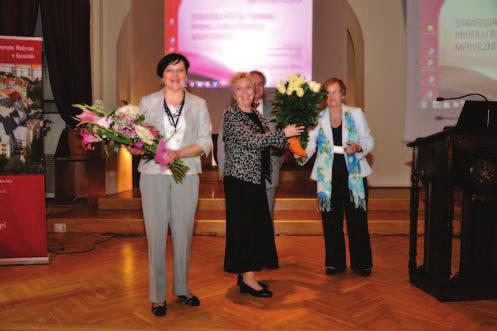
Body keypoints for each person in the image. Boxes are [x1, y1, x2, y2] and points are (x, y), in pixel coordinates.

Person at [138, 53, 212, 316]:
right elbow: (138, 136)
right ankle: (158, 296)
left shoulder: (199, 104)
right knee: (156, 235)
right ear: (162, 75)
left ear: (187, 74)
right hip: (153, 174)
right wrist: (135, 147)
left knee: (183, 233)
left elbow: (206, 142)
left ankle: (182, 289)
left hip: (187, 174)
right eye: (170, 70)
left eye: (180, 70)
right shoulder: (147, 102)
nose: (175, 75)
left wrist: (178, 154)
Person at [222, 72, 303, 298]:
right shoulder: (232, 115)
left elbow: (271, 142)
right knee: (244, 230)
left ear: (255, 91)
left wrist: (295, 142)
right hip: (240, 182)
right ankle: (248, 279)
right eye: (239, 88)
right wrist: (282, 134)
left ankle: (247, 275)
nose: (246, 92)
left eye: (249, 88)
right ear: (233, 93)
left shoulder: (257, 115)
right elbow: (252, 141)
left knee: (253, 229)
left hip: (255, 180)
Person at [296, 77, 374, 277]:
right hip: (327, 176)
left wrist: (358, 147)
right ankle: (335, 263)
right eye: (328, 93)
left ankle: (362, 263)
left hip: (353, 174)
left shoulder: (355, 114)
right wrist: (297, 151)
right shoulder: (318, 118)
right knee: (331, 221)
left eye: (335, 92)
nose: (332, 96)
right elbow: (310, 147)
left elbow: (367, 139)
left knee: (357, 219)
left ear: (343, 94)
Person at [217, 70, 283, 217]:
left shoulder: (272, 110)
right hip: (241, 178)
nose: (252, 89)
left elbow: (279, 143)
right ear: (234, 93)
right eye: (242, 87)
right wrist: (222, 168)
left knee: (265, 220)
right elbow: (225, 141)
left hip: (267, 174)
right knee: (245, 222)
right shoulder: (231, 114)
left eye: (258, 85)